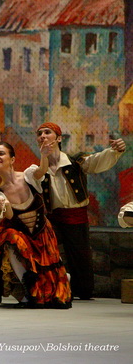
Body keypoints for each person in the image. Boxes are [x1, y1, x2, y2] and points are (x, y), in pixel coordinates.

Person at [27, 122, 125, 300]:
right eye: (39, 134)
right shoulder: (38, 169)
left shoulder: (75, 163)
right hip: (53, 218)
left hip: (76, 216)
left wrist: (114, 151)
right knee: (46, 252)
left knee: (80, 256)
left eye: (47, 132)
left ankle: (83, 290)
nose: (42, 136)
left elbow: (95, 161)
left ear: (58, 138)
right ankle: (49, 287)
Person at [0, 141, 71, 308]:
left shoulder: (28, 176)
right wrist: (2, 204)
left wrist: (44, 155)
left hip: (42, 234)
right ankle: (28, 290)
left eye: (1, 153)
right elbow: (9, 215)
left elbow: (41, 171)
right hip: (23, 240)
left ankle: (62, 278)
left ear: (12, 159)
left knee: (55, 293)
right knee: (9, 236)